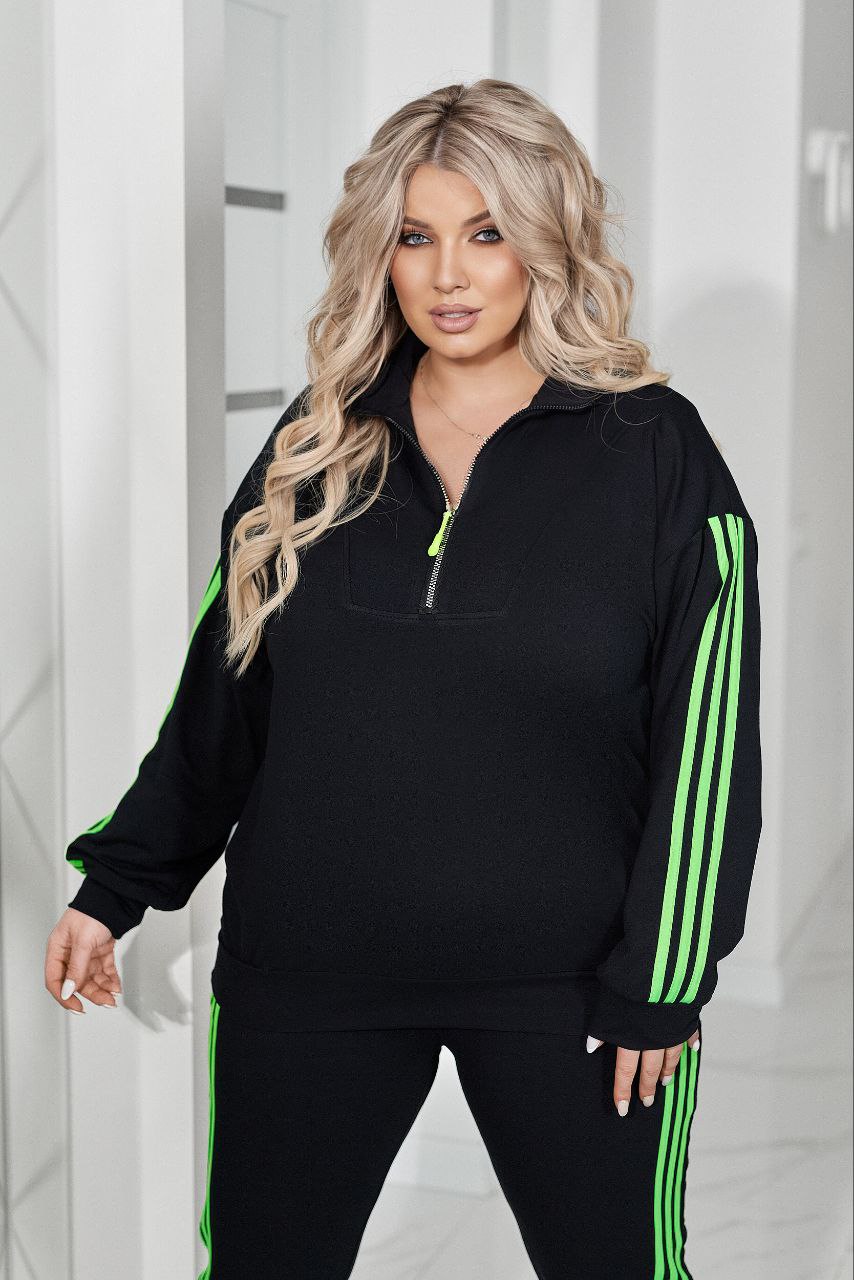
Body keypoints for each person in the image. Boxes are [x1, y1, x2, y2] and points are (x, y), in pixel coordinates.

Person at [44, 78, 762, 1279]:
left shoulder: (654, 451)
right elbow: (223, 702)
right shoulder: (315, 445)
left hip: (570, 983)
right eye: (415, 237)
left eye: (485, 233)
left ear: (545, 242)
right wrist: (117, 883)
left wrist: (662, 979)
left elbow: (709, 739)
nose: (448, 275)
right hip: (307, 969)